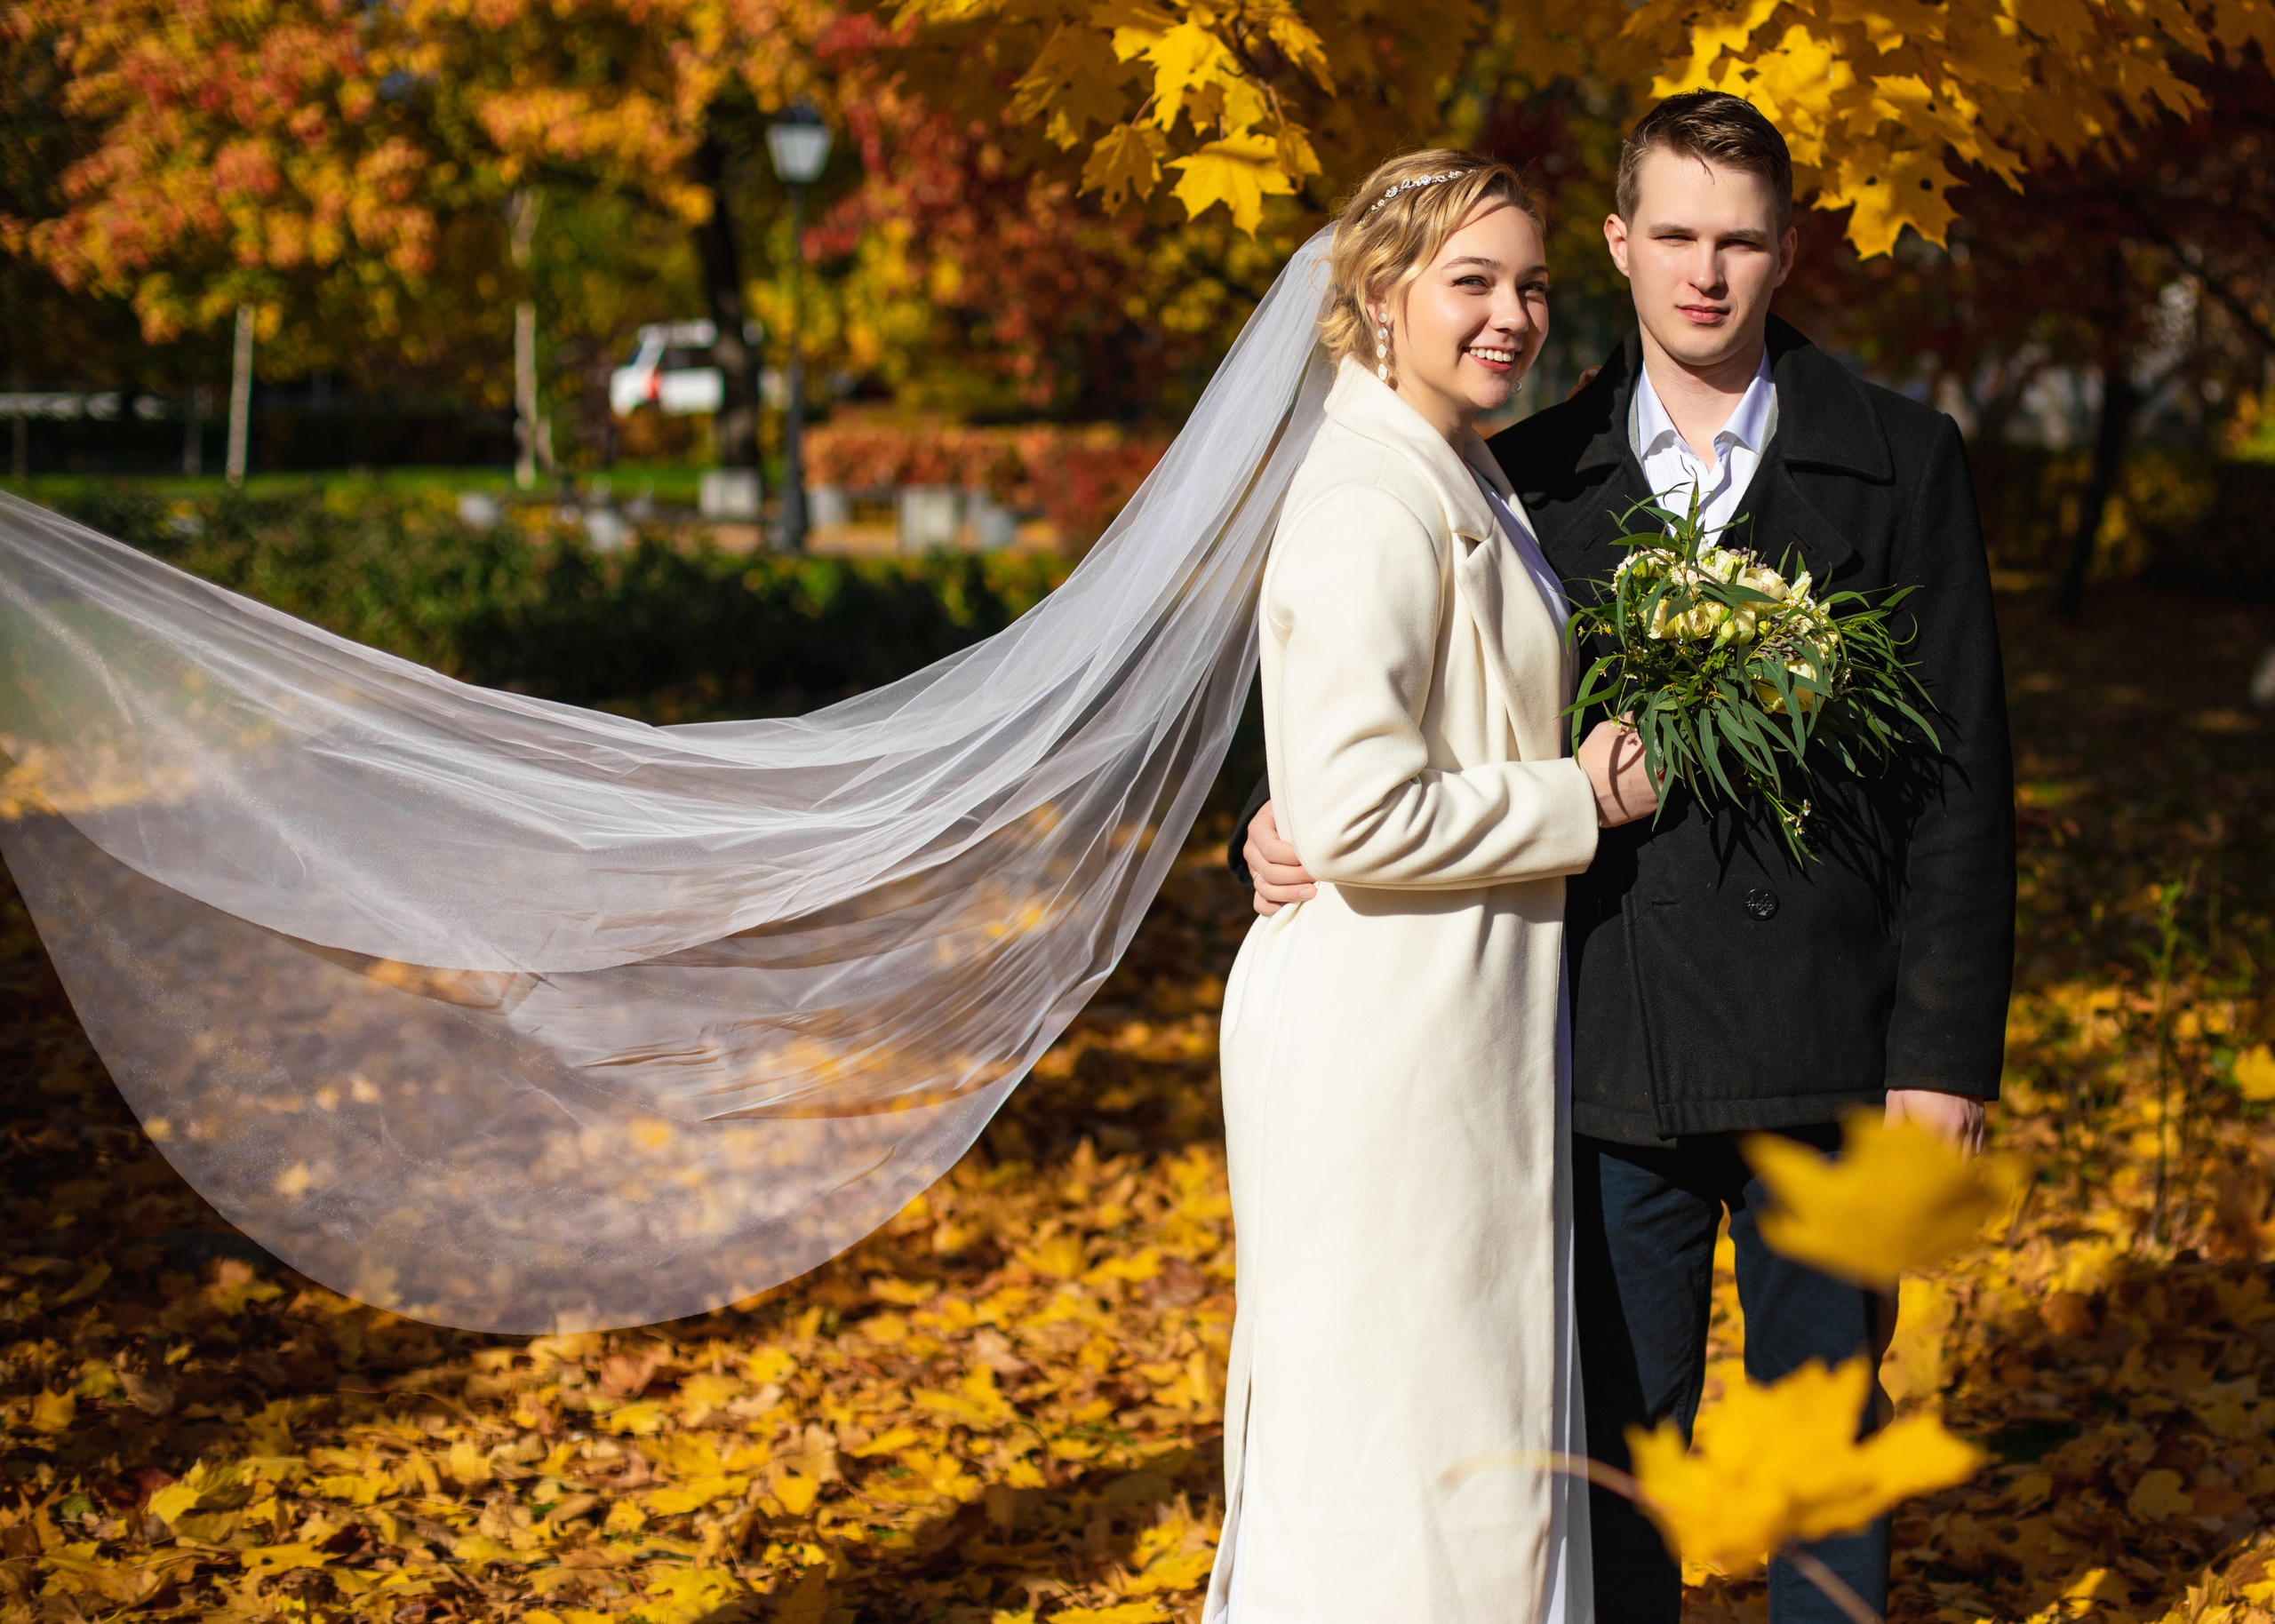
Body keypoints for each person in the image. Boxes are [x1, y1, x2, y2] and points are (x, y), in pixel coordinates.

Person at [1234, 93, 2016, 1623]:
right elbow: (1416, 718)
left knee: (1824, 1480)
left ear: (1788, 252)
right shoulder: (1523, 472)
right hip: (1601, 1050)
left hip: (1831, 1049)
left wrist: (1947, 1056)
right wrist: (1284, 825)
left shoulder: (1902, 461)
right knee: (1610, 1481)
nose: (1705, 275)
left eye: (1738, 242)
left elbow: (1964, 781)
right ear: (1621, 244)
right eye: (1674, 238)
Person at [1204, 148, 1656, 1624]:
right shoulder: (1366, 505)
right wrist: (1574, 798)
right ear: (1378, 298)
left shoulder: (1450, 464)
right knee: (1389, 1446)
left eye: (1530, 283)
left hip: (1451, 1020)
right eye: (1472, 281)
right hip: (1383, 1041)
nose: (1513, 315)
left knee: (1457, 1424)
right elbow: (1355, 811)